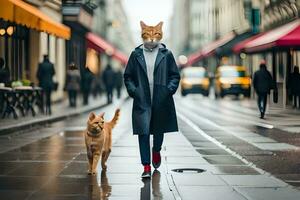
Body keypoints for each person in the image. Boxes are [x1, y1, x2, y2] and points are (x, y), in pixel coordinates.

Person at [124, 21, 180, 178]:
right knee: (143, 132)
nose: (152, 38)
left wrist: (168, 90)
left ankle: (156, 150)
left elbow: (174, 75)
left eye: (156, 35)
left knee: (158, 130)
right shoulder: (136, 55)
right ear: (142, 35)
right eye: (148, 35)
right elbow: (128, 76)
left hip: (161, 99)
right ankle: (146, 166)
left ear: (160, 35)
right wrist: (134, 91)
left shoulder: (166, 54)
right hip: (142, 99)